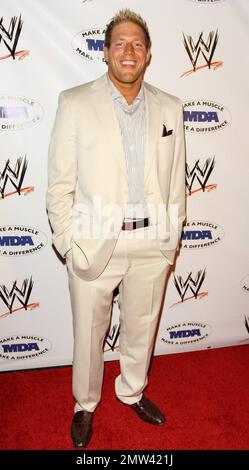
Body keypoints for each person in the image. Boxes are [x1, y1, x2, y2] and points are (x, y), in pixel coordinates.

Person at [46, 9, 186, 449]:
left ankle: (132, 390)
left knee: (141, 325)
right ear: (105, 52)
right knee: (89, 330)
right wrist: (68, 243)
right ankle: (85, 404)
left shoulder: (170, 107)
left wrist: (172, 236)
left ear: (147, 56)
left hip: (151, 240)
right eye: (120, 43)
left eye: (138, 44)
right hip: (93, 240)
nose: (129, 51)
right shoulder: (75, 102)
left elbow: (178, 179)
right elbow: (59, 184)